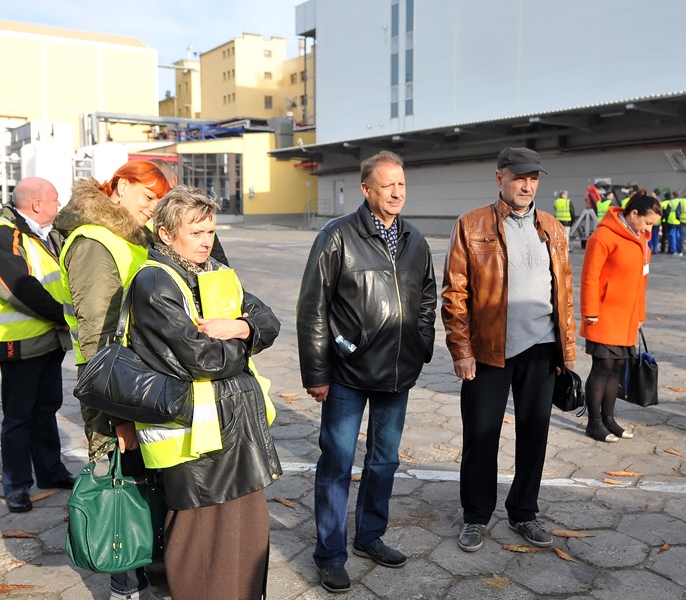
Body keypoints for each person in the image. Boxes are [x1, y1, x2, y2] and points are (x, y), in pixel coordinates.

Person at [126, 187, 281, 599]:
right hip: (191, 433)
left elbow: (268, 319)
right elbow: (203, 359)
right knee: (200, 539)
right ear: (165, 234)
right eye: (195, 232)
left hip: (231, 423)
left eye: (210, 230)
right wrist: (245, 338)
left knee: (244, 530)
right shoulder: (155, 281)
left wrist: (240, 329)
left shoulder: (213, 271)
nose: (206, 240)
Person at [296, 150, 437, 593]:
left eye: (402, 184)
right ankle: (331, 554)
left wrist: (420, 342)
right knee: (337, 463)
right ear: (366, 190)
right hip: (347, 373)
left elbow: (429, 296)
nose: (397, 192)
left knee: (385, 460)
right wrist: (316, 372)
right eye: (388, 185)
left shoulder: (415, 239)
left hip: (398, 372)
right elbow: (312, 307)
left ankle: (370, 537)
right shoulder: (337, 236)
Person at [442, 147, 576, 553]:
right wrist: (461, 349)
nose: (527, 185)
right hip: (487, 350)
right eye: (519, 177)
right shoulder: (472, 224)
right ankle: (476, 516)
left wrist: (567, 353)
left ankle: (524, 512)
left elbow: (564, 293)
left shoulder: (552, 227)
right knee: (481, 436)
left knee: (535, 435)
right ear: (499, 177)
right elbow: (455, 294)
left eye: (533, 178)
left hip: (541, 349)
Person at [56, 160, 171, 600]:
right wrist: (118, 417)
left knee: (148, 476)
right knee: (118, 483)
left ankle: (150, 562)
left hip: (141, 379)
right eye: (148, 197)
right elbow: (97, 337)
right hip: (113, 385)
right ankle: (124, 579)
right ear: (121, 187)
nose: (153, 207)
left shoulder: (129, 237)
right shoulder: (94, 241)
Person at [0, 178, 74, 513]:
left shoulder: (46, 234)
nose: (58, 206)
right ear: (35, 204)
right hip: (19, 342)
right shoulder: (0, 236)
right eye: (55, 200)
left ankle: (50, 472)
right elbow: (17, 288)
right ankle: (17, 485)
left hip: (49, 339)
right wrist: (60, 315)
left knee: (46, 409)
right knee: (18, 416)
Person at [580, 191, 662, 442]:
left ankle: (609, 418)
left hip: (626, 316)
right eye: (648, 222)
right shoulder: (603, 236)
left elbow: (641, 282)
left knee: (617, 367)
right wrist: (590, 311)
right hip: (603, 313)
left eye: (653, 226)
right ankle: (594, 422)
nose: (649, 229)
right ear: (633, 213)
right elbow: (590, 276)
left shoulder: (641, 239)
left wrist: (640, 314)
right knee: (602, 366)